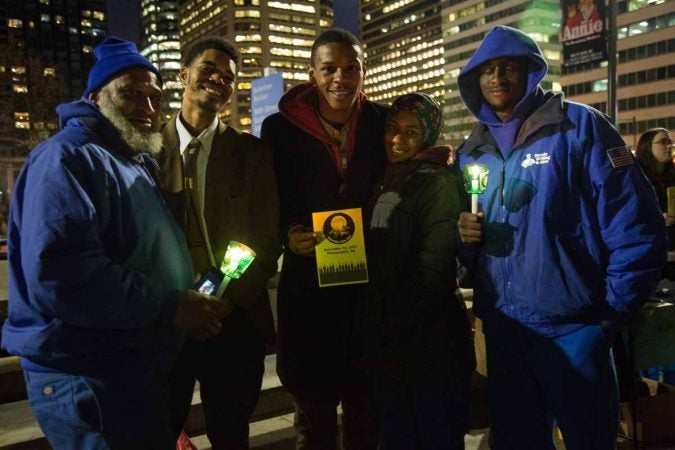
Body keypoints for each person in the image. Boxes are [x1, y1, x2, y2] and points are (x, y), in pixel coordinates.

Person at [0, 36, 226, 449]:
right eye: (131, 94)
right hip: (88, 372)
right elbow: (65, 276)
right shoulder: (68, 158)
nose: (148, 107)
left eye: (155, 97)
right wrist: (172, 305)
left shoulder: (129, 158)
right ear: (94, 96)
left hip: (127, 363)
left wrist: (181, 297)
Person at [455, 25, 666, 449]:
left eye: (508, 67)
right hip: (507, 337)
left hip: (575, 331)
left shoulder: (580, 128)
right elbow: (469, 254)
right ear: (474, 80)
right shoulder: (472, 151)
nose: (497, 78)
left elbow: (636, 225)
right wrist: (465, 239)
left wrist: (607, 316)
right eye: (487, 70)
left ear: (530, 72)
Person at [261, 28, 386, 449]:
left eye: (351, 69)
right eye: (329, 68)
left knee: (365, 414)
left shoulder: (380, 121)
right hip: (308, 287)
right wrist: (290, 233)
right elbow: (270, 199)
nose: (340, 79)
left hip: (367, 289)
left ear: (363, 72)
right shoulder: (279, 129)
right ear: (311, 73)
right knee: (313, 419)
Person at [156, 36, 281, 449]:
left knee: (231, 433)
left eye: (228, 77)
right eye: (209, 69)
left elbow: (267, 238)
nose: (218, 80)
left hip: (233, 320)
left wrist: (222, 302)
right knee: (158, 429)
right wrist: (178, 304)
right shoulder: (147, 151)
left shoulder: (252, 153)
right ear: (184, 74)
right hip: (166, 320)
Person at [359, 93, 475, 450]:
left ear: (428, 135)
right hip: (391, 344)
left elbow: (434, 268)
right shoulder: (385, 178)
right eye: (392, 129)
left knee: (434, 436)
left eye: (410, 132)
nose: (397, 140)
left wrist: (387, 322)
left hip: (431, 345)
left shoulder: (437, 182)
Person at [635, 128, 675, 227]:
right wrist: (656, 218)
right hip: (650, 234)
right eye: (663, 142)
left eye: (670, 142)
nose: (670, 146)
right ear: (647, 146)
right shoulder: (636, 175)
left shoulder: (672, 174)